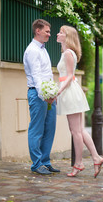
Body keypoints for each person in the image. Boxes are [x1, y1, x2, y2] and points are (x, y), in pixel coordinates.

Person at [56, 25, 103, 178]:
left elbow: (69, 76)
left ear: (67, 36)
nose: (58, 34)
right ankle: (95, 158)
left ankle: (80, 163)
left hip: (70, 92)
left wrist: (58, 91)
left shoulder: (68, 53)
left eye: (61, 32)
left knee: (76, 131)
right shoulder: (67, 53)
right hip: (71, 91)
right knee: (79, 130)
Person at [23, 19, 60, 175]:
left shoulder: (43, 49)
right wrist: (44, 95)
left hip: (48, 96)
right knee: (36, 130)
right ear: (37, 31)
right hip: (38, 95)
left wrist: (52, 94)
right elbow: (37, 76)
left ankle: (45, 162)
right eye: (47, 31)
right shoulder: (32, 50)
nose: (49, 34)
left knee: (49, 129)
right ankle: (36, 164)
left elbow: (47, 75)